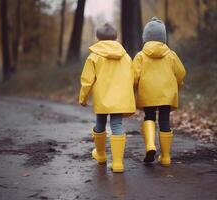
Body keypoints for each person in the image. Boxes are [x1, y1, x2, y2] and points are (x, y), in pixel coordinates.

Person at [79, 23, 135, 173]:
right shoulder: (126, 57)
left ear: (98, 38)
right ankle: (117, 163)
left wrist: (83, 98)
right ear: (115, 38)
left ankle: (101, 155)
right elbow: (132, 77)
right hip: (119, 99)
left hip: (102, 99)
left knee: (100, 124)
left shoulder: (94, 57)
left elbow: (87, 80)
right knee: (116, 125)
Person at [133, 17, 186, 166]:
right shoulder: (171, 55)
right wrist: (178, 85)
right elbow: (181, 73)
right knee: (164, 121)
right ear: (163, 38)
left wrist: (133, 90)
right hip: (166, 95)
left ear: (145, 38)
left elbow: (134, 77)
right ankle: (166, 157)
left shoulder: (140, 56)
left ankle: (150, 146)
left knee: (149, 117)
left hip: (147, 94)